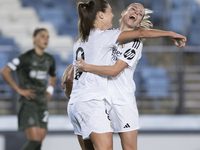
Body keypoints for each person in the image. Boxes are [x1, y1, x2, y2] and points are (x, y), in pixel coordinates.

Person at [62, 0, 186, 150]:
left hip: (122, 101)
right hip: (101, 100)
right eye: (134, 9)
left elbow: (115, 70)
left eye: (140, 14)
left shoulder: (134, 42)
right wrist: (71, 67)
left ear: (140, 21)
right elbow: (90, 52)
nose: (137, 13)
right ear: (124, 13)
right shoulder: (108, 34)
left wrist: (84, 67)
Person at [1, 28, 57, 150]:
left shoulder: (49, 59)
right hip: (28, 103)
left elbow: (53, 75)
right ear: (34, 38)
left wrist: (50, 89)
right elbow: (5, 72)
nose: (46, 39)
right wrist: (19, 90)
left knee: (39, 142)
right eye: (42, 36)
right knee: (35, 141)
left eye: (48, 37)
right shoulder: (25, 57)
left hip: (42, 103)